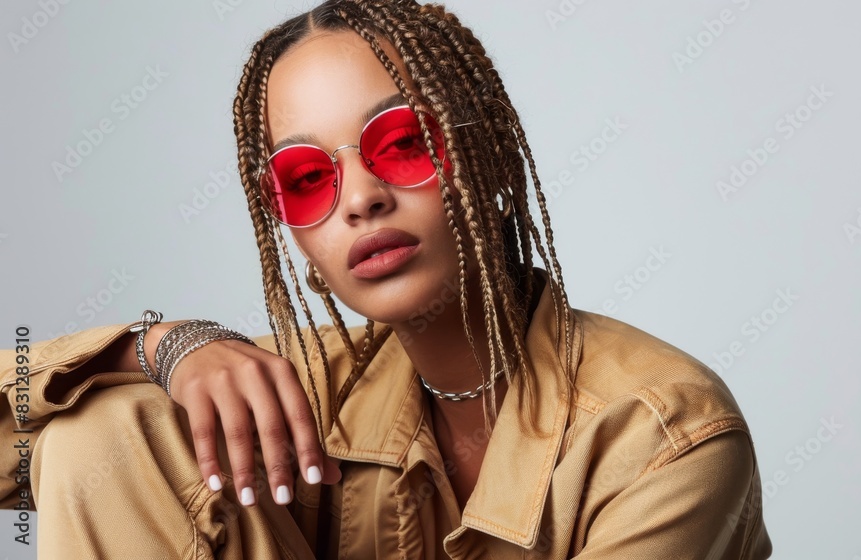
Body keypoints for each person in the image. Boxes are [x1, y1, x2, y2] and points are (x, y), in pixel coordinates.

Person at [0, 1, 773, 558]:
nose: (362, 199)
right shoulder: (311, 390)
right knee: (98, 430)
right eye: (307, 179)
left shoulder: (665, 435)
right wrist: (161, 346)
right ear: (294, 237)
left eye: (402, 143)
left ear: (492, 157)